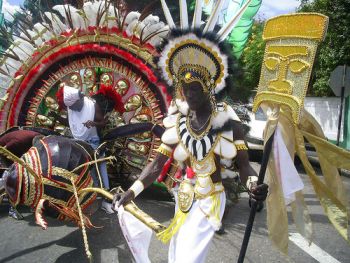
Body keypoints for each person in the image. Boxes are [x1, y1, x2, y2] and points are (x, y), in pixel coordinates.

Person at [113, 34, 268, 263]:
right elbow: (156, 165)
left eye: (196, 89)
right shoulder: (176, 123)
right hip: (183, 197)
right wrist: (131, 192)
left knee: (187, 258)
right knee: (176, 255)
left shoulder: (228, 124)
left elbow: (244, 166)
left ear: (209, 88)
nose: (191, 94)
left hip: (210, 200)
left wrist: (254, 185)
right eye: (186, 89)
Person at [53, 83, 124, 214]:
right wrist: (56, 117)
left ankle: (106, 199)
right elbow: (70, 123)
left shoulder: (92, 105)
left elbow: (103, 122)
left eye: (76, 106)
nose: (74, 109)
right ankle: (87, 198)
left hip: (93, 142)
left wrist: (93, 123)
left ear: (80, 100)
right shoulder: (71, 108)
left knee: (99, 168)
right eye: (72, 107)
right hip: (78, 142)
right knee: (80, 171)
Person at [0, 129, 41, 219]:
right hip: (4, 152)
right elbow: (3, 150)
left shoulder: (39, 137)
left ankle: (33, 204)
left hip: (18, 152)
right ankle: (12, 209)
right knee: (12, 180)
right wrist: (10, 167)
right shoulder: (19, 142)